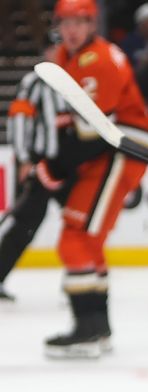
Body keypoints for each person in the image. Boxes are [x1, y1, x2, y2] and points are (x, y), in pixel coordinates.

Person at [41, 0, 148, 358]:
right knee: (87, 240)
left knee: (75, 238)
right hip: (105, 150)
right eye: (66, 22)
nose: (72, 29)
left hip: (123, 148)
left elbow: (92, 131)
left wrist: (55, 165)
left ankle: (88, 330)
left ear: (92, 24)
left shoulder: (99, 60)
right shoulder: (68, 55)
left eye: (80, 22)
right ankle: (97, 329)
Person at [1, 60, 70, 302]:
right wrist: (23, 158)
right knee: (24, 224)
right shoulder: (34, 81)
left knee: (80, 222)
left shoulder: (77, 77)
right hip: (39, 164)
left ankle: (79, 280)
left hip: (70, 163)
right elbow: (19, 117)